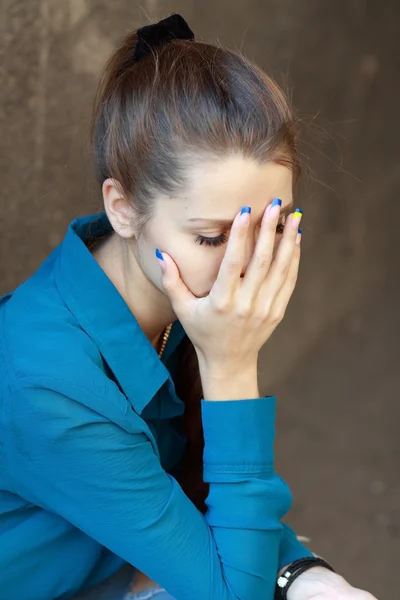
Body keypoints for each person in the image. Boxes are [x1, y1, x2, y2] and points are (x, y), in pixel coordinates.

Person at [0, 12, 377, 600]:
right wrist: (230, 365)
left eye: (268, 230)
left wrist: (303, 573)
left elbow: (199, 502)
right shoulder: (49, 383)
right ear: (122, 207)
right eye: (211, 236)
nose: (242, 266)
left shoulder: (165, 298)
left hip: (121, 564)